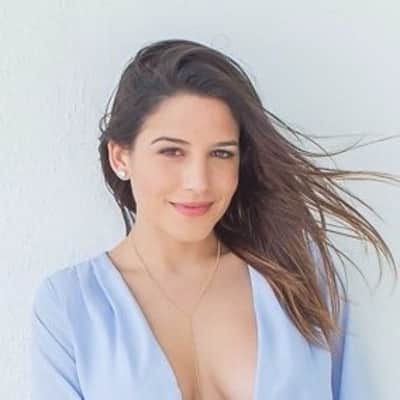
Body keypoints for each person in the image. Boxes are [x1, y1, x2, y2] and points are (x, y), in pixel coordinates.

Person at [30, 38, 399, 400]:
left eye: (221, 154)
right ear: (120, 157)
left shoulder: (300, 278)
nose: (199, 182)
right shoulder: (70, 305)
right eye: (172, 151)